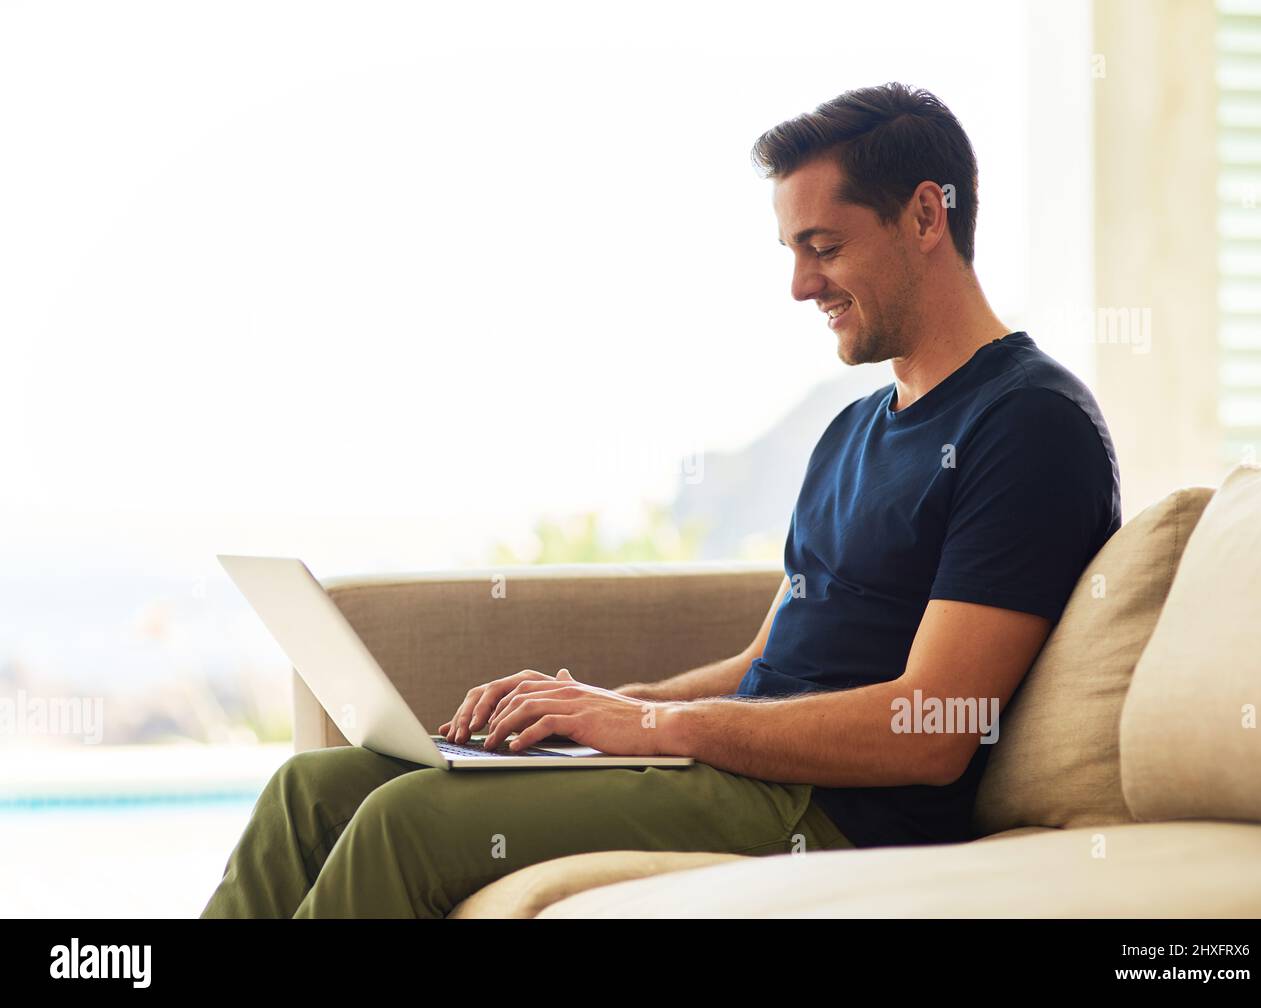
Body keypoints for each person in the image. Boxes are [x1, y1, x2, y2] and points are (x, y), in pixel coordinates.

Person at [201, 81, 1121, 919]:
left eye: (824, 247)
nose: (801, 284)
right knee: (311, 790)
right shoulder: (855, 428)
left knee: (407, 818)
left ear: (927, 215)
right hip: (745, 770)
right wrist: (610, 709)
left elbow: (932, 729)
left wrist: (655, 728)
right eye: (793, 251)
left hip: (839, 811)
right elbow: (771, 657)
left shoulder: (1029, 424)